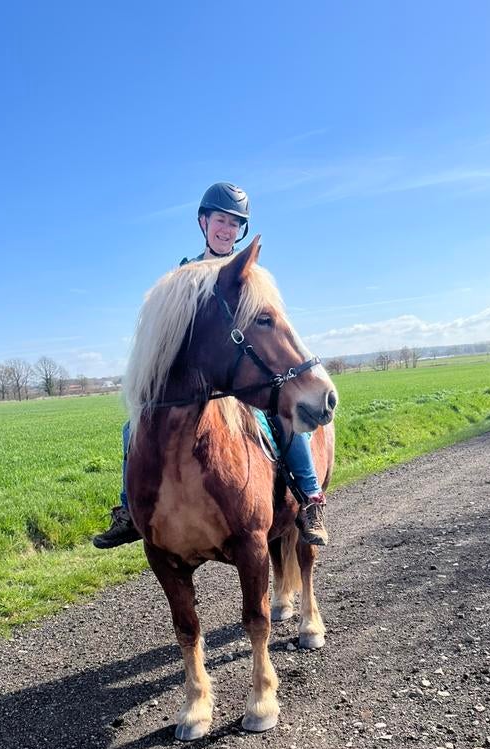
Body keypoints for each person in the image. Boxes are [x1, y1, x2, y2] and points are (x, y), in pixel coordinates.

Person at [93, 182, 328, 549]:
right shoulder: (185, 278)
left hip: (241, 381)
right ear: (204, 222)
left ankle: (310, 499)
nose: (227, 230)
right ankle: (129, 511)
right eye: (221, 220)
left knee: (285, 421)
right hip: (200, 387)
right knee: (132, 428)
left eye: (235, 225)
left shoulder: (250, 276)